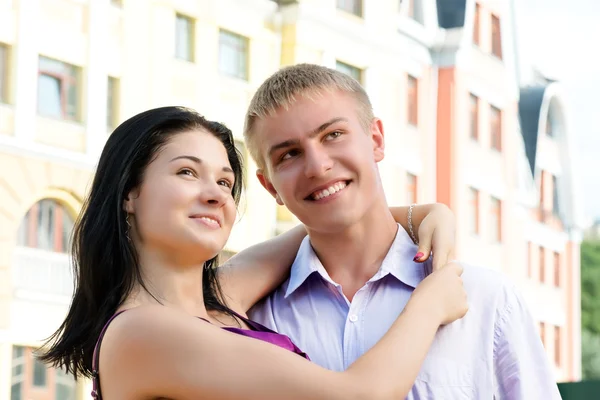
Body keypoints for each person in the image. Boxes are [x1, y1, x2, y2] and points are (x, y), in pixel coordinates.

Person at [39, 106, 467, 399]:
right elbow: (358, 396)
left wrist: (425, 214)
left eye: (225, 182)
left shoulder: (218, 302)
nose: (215, 195)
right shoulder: (141, 333)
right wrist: (430, 303)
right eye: (188, 172)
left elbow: (322, 226)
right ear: (130, 193)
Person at [244, 64, 562, 399]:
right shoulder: (256, 324)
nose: (317, 166)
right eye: (289, 154)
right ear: (270, 187)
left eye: (333, 135)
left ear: (376, 140)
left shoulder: (489, 299)